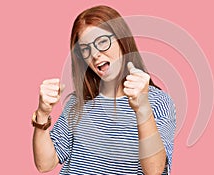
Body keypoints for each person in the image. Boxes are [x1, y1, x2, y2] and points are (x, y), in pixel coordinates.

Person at [32, 5, 176, 175]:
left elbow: (154, 171)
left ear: (122, 40)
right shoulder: (77, 103)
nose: (94, 54)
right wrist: (42, 113)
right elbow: (45, 164)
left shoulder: (158, 102)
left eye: (102, 42)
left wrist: (142, 108)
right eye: (85, 49)